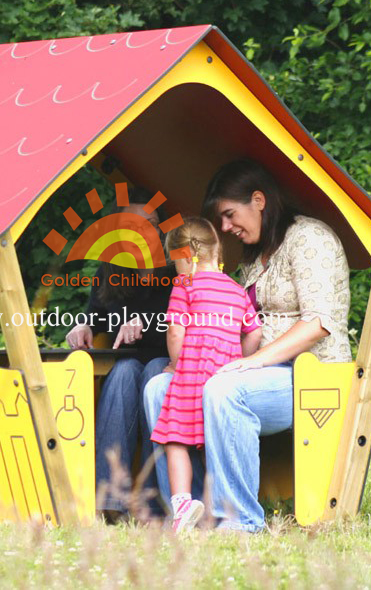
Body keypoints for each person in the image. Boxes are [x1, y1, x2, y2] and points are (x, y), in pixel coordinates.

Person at [144, 159, 351, 532]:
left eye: (228, 214)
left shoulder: (310, 239)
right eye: (220, 221)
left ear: (258, 200)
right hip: (253, 371)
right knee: (160, 387)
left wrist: (252, 361)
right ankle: (187, 514)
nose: (224, 228)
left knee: (224, 389)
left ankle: (238, 521)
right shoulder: (254, 258)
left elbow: (319, 323)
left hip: (309, 378)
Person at [65, 188, 174, 520]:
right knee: (125, 371)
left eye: (151, 223)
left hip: (167, 360)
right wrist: (81, 325)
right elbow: (94, 313)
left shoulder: (176, 272)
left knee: (154, 371)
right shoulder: (110, 271)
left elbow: (186, 319)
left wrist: (146, 322)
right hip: (125, 363)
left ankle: (154, 506)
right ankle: (110, 503)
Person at [149, 217, 261, 532]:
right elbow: (254, 331)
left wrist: (175, 363)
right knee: (214, 444)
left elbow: (175, 330)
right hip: (222, 375)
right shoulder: (237, 289)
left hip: (190, 374)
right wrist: (240, 359)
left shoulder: (185, 284)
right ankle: (215, 510)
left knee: (175, 440)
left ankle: (183, 504)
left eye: (175, 262)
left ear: (186, 257)